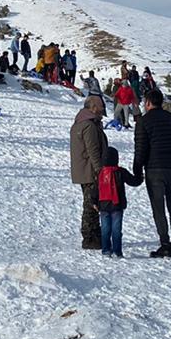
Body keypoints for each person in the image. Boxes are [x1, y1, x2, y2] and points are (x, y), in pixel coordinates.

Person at [134, 89, 171, 258]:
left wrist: (137, 170)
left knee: (158, 208)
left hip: (154, 169)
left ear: (148, 102)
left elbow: (141, 149)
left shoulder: (143, 121)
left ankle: (165, 243)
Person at [69, 95, 107, 248]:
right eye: (100, 109)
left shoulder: (79, 123)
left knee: (90, 202)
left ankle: (93, 235)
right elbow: (93, 150)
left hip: (82, 169)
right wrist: (100, 171)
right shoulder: (89, 126)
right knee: (91, 204)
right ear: (93, 108)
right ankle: (90, 238)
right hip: (90, 170)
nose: (102, 112)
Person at [96, 147, 143, 258]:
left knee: (105, 230)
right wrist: (140, 178)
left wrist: (94, 201)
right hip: (117, 205)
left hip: (103, 205)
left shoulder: (100, 173)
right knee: (116, 230)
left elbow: (95, 189)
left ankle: (106, 250)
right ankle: (117, 251)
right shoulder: (120, 171)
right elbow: (133, 181)